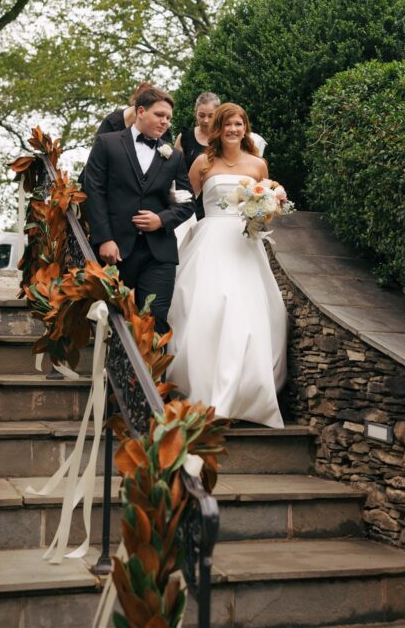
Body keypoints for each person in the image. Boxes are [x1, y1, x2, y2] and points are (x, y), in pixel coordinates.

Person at [167, 103, 287, 427]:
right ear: (217, 128)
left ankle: (245, 393)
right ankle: (204, 393)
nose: (234, 129)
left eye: (239, 123)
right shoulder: (203, 162)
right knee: (207, 308)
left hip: (245, 244)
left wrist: (265, 213)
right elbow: (183, 201)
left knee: (255, 315)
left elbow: (269, 202)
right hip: (210, 241)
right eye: (228, 124)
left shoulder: (257, 164)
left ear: (245, 127)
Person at [84, 86, 194, 335]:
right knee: (110, 318)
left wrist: (162, 219)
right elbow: (95, 192)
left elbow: (187, 202)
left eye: (168, 118)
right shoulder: (107, 143)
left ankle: (150, 375)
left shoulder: (173, 157)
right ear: (141, 111)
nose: (165, 122)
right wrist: (105, 239)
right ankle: (112, 373)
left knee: (155, 320)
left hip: (159, 255)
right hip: (117, 250)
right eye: (160, 115)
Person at [175, 92, 221, 222]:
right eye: (201, 115)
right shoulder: (184, 137)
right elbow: (173, 168)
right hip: (189, 197)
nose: (205, 120)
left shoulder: (224, 138)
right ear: (195, 113)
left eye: (211, 116)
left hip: (215, 200)